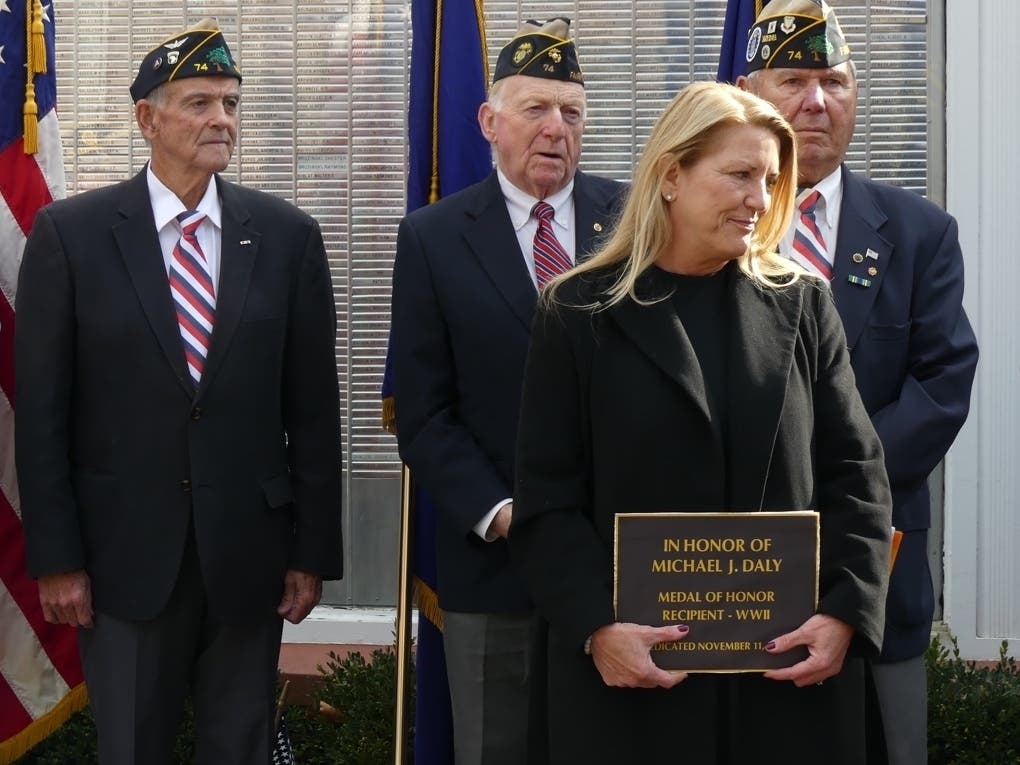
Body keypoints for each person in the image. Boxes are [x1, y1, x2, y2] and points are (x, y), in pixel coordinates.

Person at [508, 80, 893, 765]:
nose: (761, 197)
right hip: (632, 694)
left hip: (787, 688)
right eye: (740, 174)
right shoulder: (577, 312)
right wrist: (597, 626)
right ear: (671, 175)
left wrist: (846, 613)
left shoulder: (804, 304)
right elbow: (548, 500)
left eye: (771, 179)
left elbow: (857, 478)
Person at [15, 19, 343, 764]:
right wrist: (56, 557)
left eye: (230, 102)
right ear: (147, 119)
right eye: (198, 102)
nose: (220, 119)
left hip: (249, 560)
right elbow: (41, 415)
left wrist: (311, 549)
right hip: (121, 562)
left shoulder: (288, 237)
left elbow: (314, 410)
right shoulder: (71, 237)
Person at [737, 2, 979, 762]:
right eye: (795, 80)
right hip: (735, 564)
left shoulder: (918, 232)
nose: (816, 102)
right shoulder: (714, 226)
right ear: (751, 92)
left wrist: (838, 487)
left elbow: (942, 382)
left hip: (878, 569)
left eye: (834, 82)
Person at [389, 17, 625, 765]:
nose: (555, 128)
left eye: (572, 112)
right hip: (495, 568)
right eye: (535, 109)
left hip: (617, 565)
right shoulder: (431, 237)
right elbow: (424, 413)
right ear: (490, 122)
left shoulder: (635, 221)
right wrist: (501, 513)